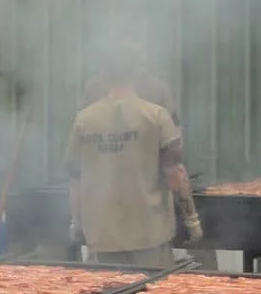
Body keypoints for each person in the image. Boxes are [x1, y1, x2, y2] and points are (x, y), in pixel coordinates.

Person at [65, 61, 200, 266]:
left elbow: (75, 178)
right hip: (150, 235)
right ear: (136, 76)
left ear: (103, 77)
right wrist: (192, 220)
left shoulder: (83, 120)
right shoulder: (156, 116)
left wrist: (76, 222)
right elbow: (175, 174)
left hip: (103, 236)